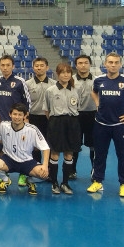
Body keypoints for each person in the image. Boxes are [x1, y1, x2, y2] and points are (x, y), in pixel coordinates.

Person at [88, 52, 124, 198]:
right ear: (105, 64)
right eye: (110, 62)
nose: (113, 65)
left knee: (122, 156)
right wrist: (97, 103)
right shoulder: (98, 80)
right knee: (99, 155)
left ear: (120, 64)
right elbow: (93, 92)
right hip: (101, 123)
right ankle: (97, 181)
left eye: (116, 62)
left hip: (119, 125)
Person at [0, 103, 50, 196]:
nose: (17, 117)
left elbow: (45, 148)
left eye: (20, 114)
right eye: (14, 114)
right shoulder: (3, 126)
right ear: (10, 114)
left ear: (25, 116)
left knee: (44, 174)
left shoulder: (32, 129)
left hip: (27, 161)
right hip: (9, 160)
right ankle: (6, 180)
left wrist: (45, 165)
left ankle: (29, 180)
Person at [43, 63, 80, 195]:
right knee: (55, 153)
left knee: (69, 153)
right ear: (57, 74)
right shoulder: (50, 90)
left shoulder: (76, 90)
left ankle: (65, 183)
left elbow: (78, 107)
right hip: (56, 122)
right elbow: (47, 110)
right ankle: (54, 183)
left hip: (72, 122)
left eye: (68, 72)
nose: (66, 75)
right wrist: (55, 121)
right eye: (62, 72)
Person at [0, 53, 31, 161]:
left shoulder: (20, 81)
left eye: (8, 65)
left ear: (13, 66)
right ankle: (3, 173)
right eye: (2, 65)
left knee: (21, 147)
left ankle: (23, 173)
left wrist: (26, 118)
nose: (5, 68)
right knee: (0, 147)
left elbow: (27, 101)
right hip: (1, 121)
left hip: (17, 120)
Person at [72, 54, 97, 178]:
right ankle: (72, 171)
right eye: (80, 63)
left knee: (93, 145)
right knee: (74, 144)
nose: (83, 65)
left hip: (93, 115)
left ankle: (94, 170)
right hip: (76, 116)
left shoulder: (97, 80)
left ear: (90, 64)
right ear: (76, 65)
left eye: (86, 62)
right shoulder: (71, 80)